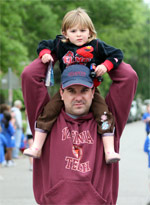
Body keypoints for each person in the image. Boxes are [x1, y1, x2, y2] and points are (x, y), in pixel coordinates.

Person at [21, 58, 138, 204]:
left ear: (93, 92)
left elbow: (128, 77)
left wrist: (98, 54)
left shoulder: (108, 122)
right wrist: (58, 51)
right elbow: (29, 75)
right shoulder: (45, 121)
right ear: (61, 93)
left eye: (84, 90)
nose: (78, 97)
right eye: (71, 90)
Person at [23, 8, 124, 164]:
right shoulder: (61, 44)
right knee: (48, 112)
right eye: (73, 30)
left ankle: (109, 150)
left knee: (104, 114)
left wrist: (106, 65)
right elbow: (43, 44)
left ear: (90, 32)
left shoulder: (96, 46)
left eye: (83, 30)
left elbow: (117, 53)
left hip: (90, 87)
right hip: (67, 87)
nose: (78, 34)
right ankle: (37, 146)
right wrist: (45, 54)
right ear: (65, 32)